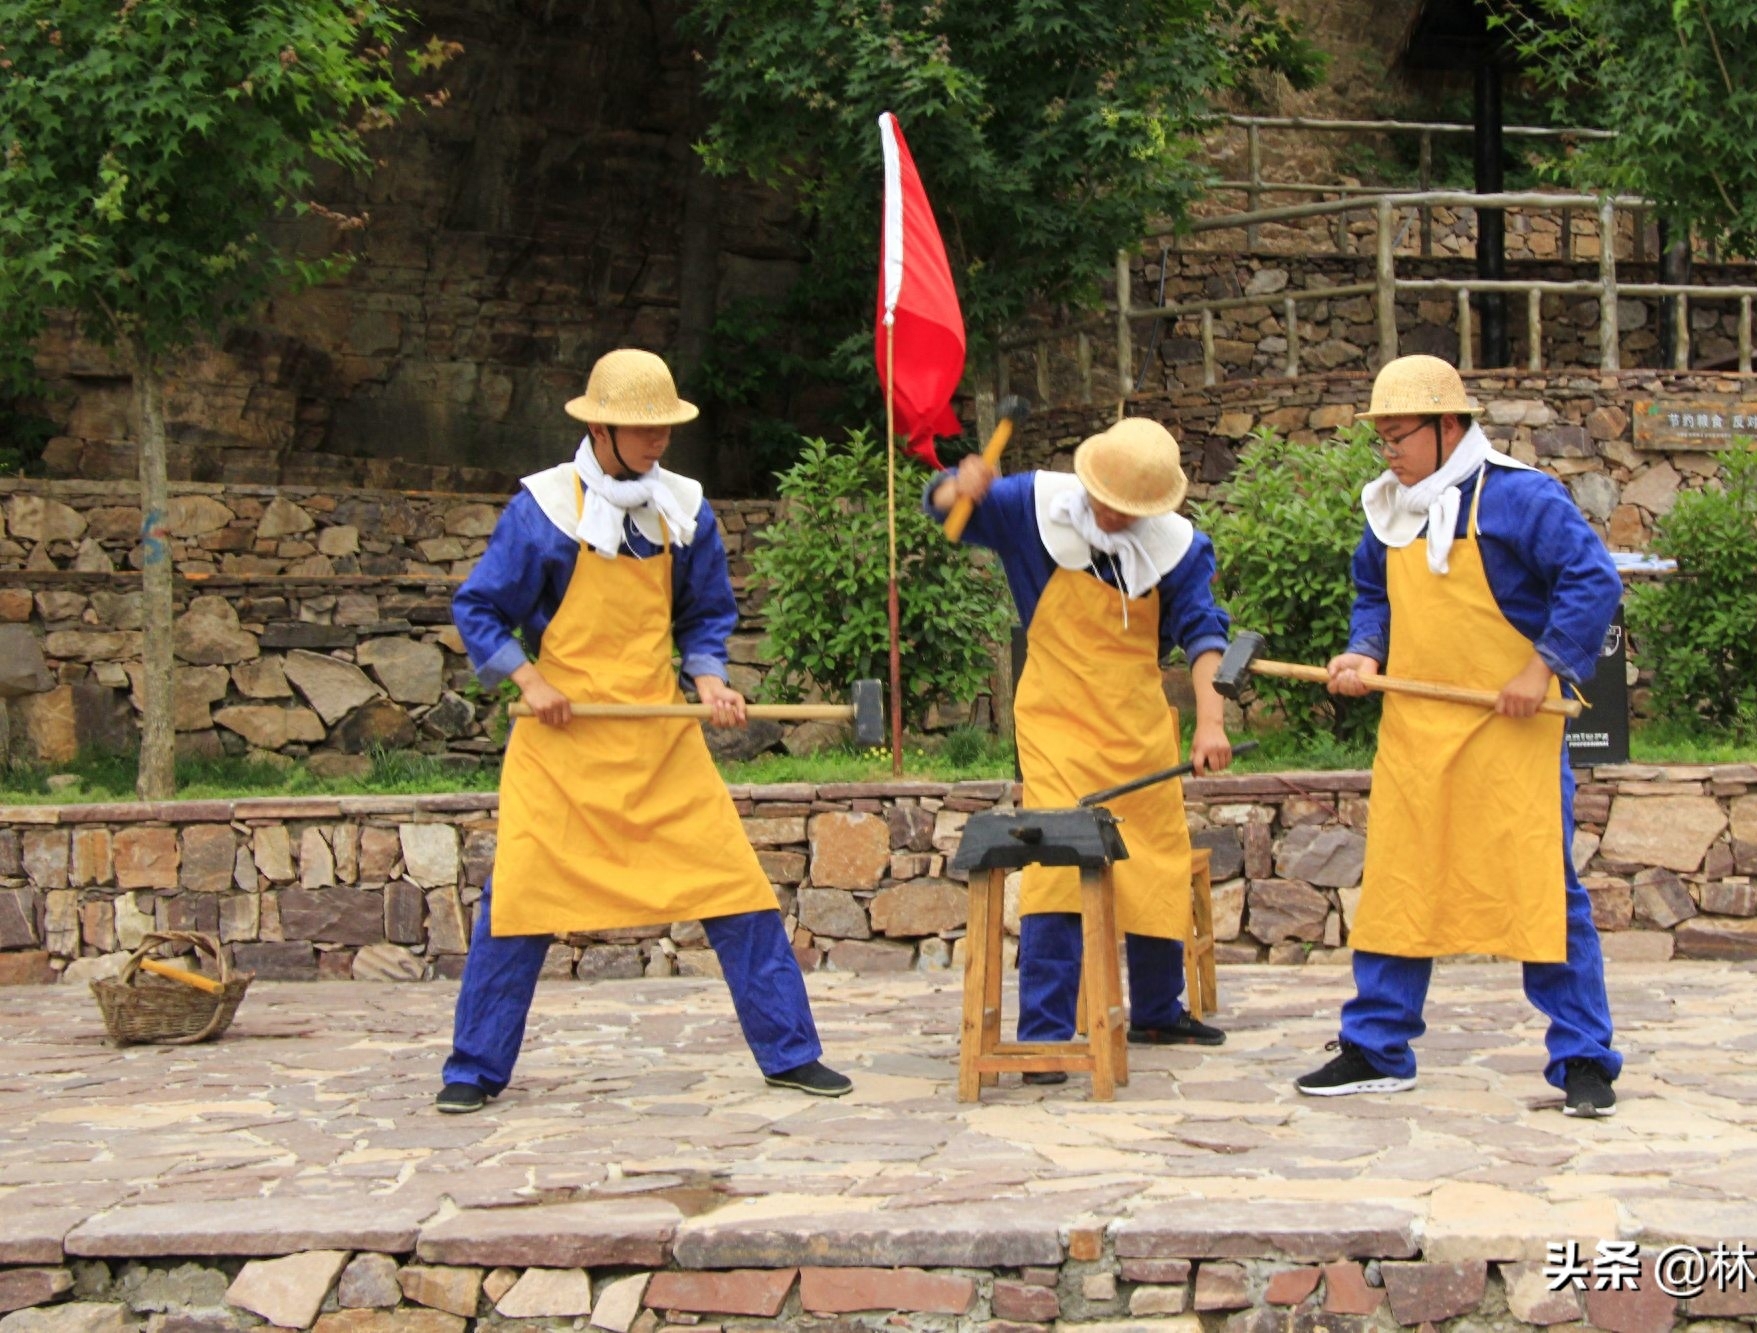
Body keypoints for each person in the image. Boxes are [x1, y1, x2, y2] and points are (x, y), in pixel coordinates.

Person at [435, 348, 850, 1114]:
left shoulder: (685, 510)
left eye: (666, 429)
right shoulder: (543, 509)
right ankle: (473, 1067)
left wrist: (711, 679)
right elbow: (480, 607)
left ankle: (791, 1052)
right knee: (518, 900)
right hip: (563, 739)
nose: (660, 443)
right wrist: (531, 680)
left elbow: (704, 615)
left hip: (657, 734)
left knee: (736, 886)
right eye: (643, 429)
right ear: (600, 426)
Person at [1294, 354, 1624, 1117]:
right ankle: (1377, 1047)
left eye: (1399, 435)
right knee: (1399, 885)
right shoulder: (1389, 509)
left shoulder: (1521, 498)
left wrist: (1542, 666)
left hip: (1512, 734)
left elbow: (1593, 578)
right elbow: (1374, 592)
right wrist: (1363, 652)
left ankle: (1583, 1056)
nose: (1390, 451)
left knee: (1543, 891)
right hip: (1416, 727)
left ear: (1450, 427)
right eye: (1381, 438)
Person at [927, 416, 1236, 1084]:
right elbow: (945, 510)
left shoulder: (1181, 547)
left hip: (1137, 717)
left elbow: (1205, 635)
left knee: (1153, 855)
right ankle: (1046, 1028)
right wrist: (961, 487)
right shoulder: (1031, 506)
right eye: (1106, 499)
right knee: (1059, 857)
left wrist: (1210, 720)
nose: (1113, 514)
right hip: (1056, 715)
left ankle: (1157, 1007)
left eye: (1130, 509)